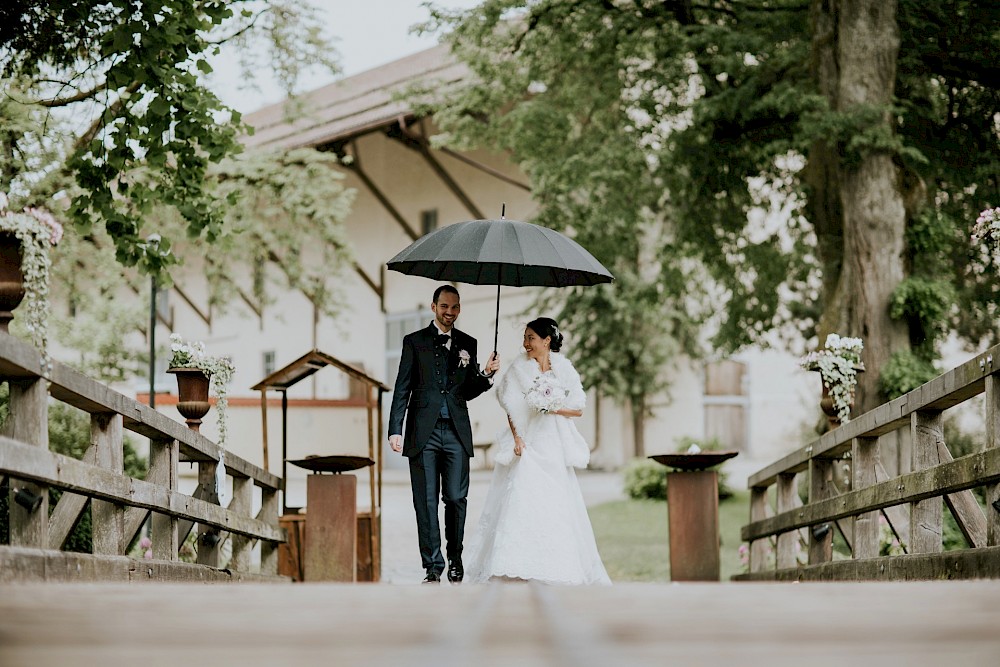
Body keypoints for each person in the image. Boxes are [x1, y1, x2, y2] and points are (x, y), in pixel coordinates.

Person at [465, 317, 611, 585]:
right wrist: (518, 438)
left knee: (554, 502)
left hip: (552, 444)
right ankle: (512, 566)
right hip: (529, 444)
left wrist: (551, 406)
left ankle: (555, 565)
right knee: (521, 498)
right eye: (525, 337)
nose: (526, 343)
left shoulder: (564, 369)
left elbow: (577, 407)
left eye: (531, 337)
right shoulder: (518, 368)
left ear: (546, 340)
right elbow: (510, 404)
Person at [388, 285, 500, 584]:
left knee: (456, 498)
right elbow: (402, 387)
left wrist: (486, 375)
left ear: (459, 309)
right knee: (425, 501)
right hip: (422, 433)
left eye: (454, 307)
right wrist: (395, 429)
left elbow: (467, 390)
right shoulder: (414, 342)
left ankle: (455, 558)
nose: (449, 312)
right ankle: (432, 566)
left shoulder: (468, 343)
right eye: (444, 307)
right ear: (433, 306)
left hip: (456, 433)